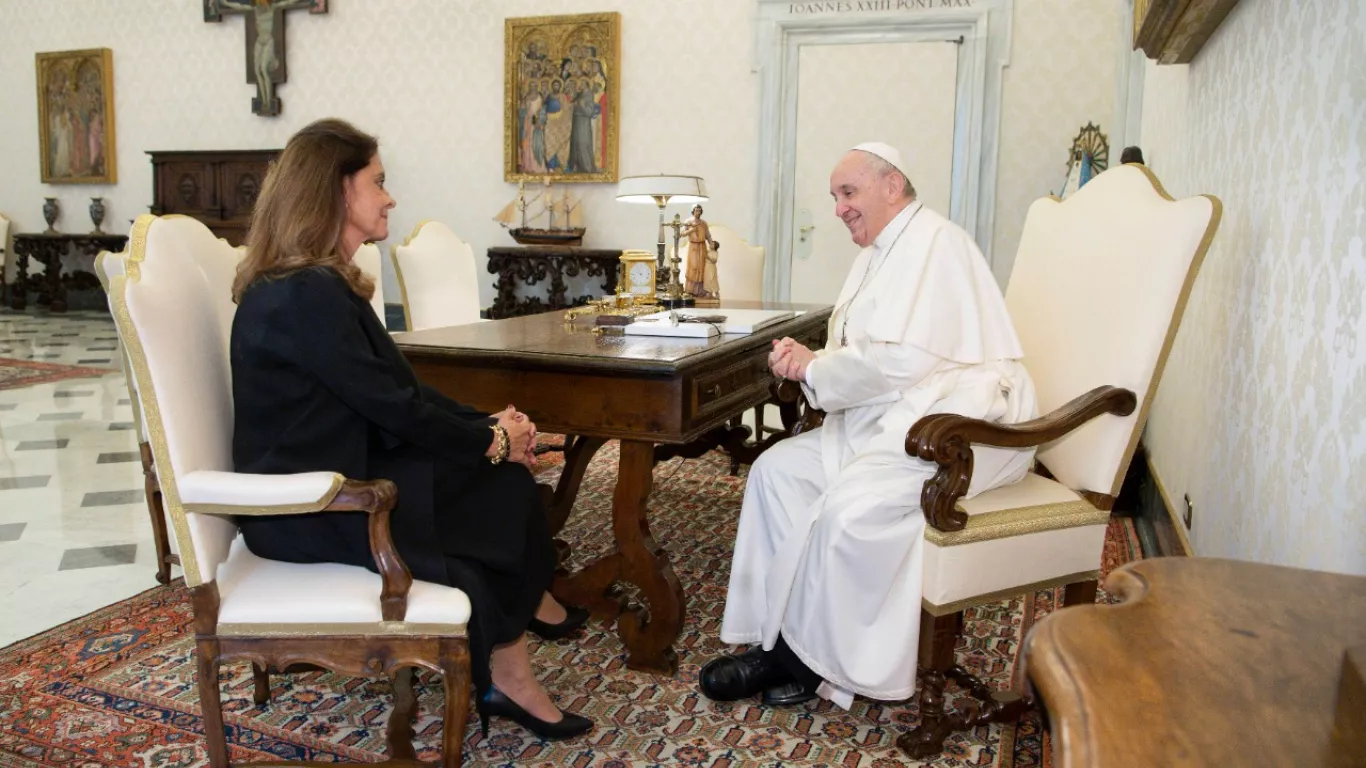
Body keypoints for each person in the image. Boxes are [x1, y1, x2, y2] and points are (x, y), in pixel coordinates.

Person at [229, 118, 592, 740]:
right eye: (379, 182)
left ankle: (511, 660)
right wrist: (491, 441)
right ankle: (514, 664)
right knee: (502, 493)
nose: (389, 196)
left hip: (345, 472)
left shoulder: (318, 285)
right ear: (338, 192)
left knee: (500, 490)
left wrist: (487, 428)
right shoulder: (301, 295)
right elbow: (392, 408)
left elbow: (401, 393)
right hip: (307, 506)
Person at [699, 142, 1038, 709]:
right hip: (887, 417)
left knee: (848, 510)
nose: (838, 209)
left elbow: (905, 361)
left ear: (892, 186)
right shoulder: (876, 253)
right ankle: (774, 637)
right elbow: (857, 350)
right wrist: (808, 360)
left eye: (848, 193)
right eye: (834, 197)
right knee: (775, 471)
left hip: (958, 428)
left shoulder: (937, 242)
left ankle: (810, 663)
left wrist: (817, 368)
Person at [680, 205, 718, 297]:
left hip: (702, 247)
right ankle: (691, 290)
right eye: (696, 210)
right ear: (693, 211)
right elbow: (682, 233)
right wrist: (691, 230)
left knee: (702, 267)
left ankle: (702, 290)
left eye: (700, 211)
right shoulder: (688, 222)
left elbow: (708, 235)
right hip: (693, 247)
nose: (698, 212)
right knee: (694, 266)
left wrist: (711, 244)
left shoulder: (703, 223)